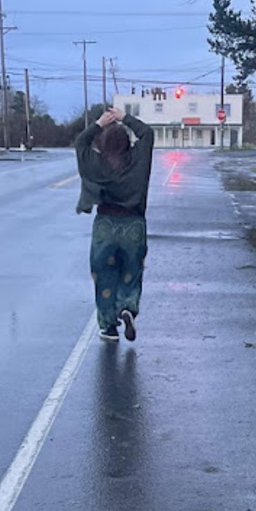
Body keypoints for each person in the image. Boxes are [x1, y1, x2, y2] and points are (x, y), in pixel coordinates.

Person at [75, 107, 154, 342]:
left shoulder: (96, 164)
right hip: (134, 223)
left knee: (104, 277)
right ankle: (128, 307)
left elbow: (81, 143)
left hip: (105, 225)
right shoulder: (138, 160)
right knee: (131, 271)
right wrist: (124, 118)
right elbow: (147, 133)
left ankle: (109, 327)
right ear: (128, 143)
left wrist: (99, 123)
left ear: (102, 144)